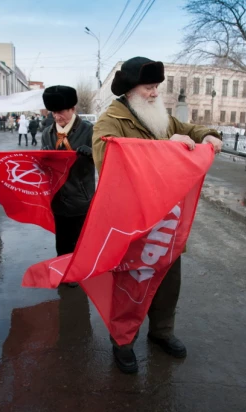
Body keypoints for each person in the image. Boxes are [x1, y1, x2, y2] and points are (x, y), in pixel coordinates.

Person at [92, 56, 223, 374]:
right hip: (132, 225)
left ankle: (162, 332)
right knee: (129, 286)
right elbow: (107, 157)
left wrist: (206, 134)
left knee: (167, 282)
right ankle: (122, 341)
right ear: (130, 90)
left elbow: (187, 128)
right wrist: (167, 148)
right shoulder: (110, 120)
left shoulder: (159, 116)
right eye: (148, 87)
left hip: (166, 221)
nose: (154, 93)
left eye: (156, 88)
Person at [41, 86, 95, 287]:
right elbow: (42, 167)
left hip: (81, 197)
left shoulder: (89, 130)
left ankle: (75, 272)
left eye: (61, 111)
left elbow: (105, 159)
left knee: (78, 240)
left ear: (73, 109)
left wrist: (92, 154)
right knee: (62, 239)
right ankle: (63, 269)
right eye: (53, 112)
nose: (57, 116)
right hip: (57, 197)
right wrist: (43, 157)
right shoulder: (47, 133)